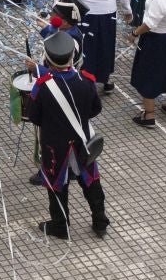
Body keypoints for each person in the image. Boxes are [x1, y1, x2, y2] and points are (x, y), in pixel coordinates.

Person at [24, 29, 109, 240]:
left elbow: (34, 116)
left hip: (55, 144)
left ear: (47, 58)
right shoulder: (87, 81)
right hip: (82, 140)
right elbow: (95, 109)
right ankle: (100, 221)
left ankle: (61, 225)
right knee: (91, 180)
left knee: (56, 184)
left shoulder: (42, 87)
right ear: (72, 56)